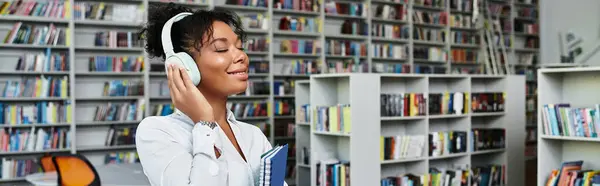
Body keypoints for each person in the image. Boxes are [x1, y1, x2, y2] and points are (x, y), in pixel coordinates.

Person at [135, 3, 287, 186]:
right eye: (221, 49)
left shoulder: (253, 135)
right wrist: (205, 123)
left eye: (240, 47)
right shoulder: (158, 132)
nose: (242, 57)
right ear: (184, 65)